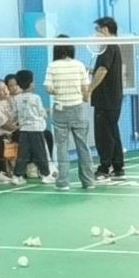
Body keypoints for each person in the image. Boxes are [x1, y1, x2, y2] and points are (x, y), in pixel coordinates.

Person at [44, 38, 94, 191]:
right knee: (83, 146)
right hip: (77, 110)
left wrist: (57, 91)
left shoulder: (52, 66)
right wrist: (83, 96)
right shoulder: (79, 65)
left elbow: (47, 88)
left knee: (62, 148)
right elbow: (85, 88)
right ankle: (88, 182)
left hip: (60, 110)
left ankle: (63, 183)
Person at [89, 16, 125, 182]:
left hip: (105, 100)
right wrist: (90, 70)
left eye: (97, 29)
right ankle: (118, 168)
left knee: (104, 135)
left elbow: (103, 70)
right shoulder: (113, 47)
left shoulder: (107, 47)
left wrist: (89, 89)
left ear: (104, 30)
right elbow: (103, 70)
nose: (95, 33)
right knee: (112, 132)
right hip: (113, 99)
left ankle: (104, 169)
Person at [13, 69, 52, 182]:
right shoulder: (36, 97)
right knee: (40, 152)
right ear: (31, 84)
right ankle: (45, 175)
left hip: (23, 130)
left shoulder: (16, 98)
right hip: (36, 130)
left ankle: (17, 176)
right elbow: (41, 112)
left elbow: (14, 114)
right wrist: (46, 112)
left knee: (22, 153)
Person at [0, 79, 22, 181]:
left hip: (17, 128)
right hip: (7, 132)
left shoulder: (11, 100)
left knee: (45, 134)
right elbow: (8, 126)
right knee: (26, 136)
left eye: (5, 87)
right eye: (1, 89)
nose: (5, 90)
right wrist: (21, 124)